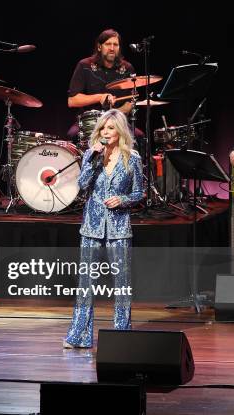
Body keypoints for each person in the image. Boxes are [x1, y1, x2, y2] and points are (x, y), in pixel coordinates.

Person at [64, 109, 144, 349]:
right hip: (92, 226)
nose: (106, 133)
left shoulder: (133, 158)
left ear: (120, 131)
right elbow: (81, 185)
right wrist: (91, 159)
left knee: (121, 282)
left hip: (119, 227)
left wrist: (123, 199)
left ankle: (121, 336)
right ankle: (79, 336)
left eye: (111, 128)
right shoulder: (92, 155)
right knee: (85, 283)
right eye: (102, 128)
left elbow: (139, 192)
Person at [67, 29, 140, 142]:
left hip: (117, 122)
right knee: (73, 135)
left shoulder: (127, 69)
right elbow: (72, 101)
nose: (112, 48)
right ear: (99, 47)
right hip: (90, 122)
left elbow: (130, 102)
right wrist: (100, 97)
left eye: (115, 44)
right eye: (108, 44)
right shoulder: (84, 65)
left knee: (139, 137)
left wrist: (118, 112)